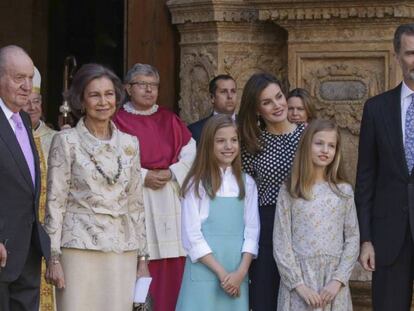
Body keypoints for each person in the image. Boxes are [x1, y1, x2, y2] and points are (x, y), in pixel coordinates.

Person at [44, 63, 149, 311]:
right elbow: (55, 202)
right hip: (78, 248)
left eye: (109, 94)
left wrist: (143, 259)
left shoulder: (130, 144)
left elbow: (136, 204)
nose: (103, 102)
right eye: (94, 95)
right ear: (81, 100)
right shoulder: (66, 141)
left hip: (122, 250)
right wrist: (53, 256)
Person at [113, 63, 196, 311]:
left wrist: (171, 172)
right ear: (128, 88)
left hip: (169, 196)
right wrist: (143, 174)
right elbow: (111, 159)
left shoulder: (170, 119)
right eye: (142, 85)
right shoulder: (117, 120)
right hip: (137, 199)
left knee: (173, 269)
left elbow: (191, 152)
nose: (149, 90)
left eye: (154, 86)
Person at [356, 23, 414, 311]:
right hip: (389, 238)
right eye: (411, 53)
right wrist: (366, 239)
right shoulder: (376, 109)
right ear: (397, 56)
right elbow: (366, 179)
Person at [274, 119, 360, 311]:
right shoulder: (290, 191)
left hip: (332, 285)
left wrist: (337, 281)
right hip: (299, 285)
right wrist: (299, 286)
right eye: (319, 143)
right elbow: (281, 242)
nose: (325, 150)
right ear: (306, 145)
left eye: (331, 145)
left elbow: (353, 238)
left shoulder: (343, 191)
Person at [176, 115, 260, 311]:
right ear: (208, 144)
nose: (228, 146)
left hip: (236, 271)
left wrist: (240, 272)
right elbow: (192, 236)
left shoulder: (247, 184)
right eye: (221, 141)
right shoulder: (195, 185)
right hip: (206, 271)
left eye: (233, 140)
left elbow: (252, 232)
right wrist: (222, 274)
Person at [238, 72, 305, 311]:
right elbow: (243, 192)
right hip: (267, 223)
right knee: (266, 295)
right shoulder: (250, 143)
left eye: (279, 97)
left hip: (304, 222)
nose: (277, 105)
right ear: (257, 109)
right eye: (267, 102)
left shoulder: (308, 135)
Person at [0, 45, 50, 311]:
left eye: (30, 78)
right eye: (19, 78)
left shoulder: (22, 122)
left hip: (27, 251)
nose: (27, 86)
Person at [21, 67, 57, 311]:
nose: (32, 107)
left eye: (37, 102)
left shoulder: (58, 138)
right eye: (27, 102)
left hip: (50, 227)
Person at [188, 74, 237, 145]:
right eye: (223, 92)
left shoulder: (248, 126)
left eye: (233, 91)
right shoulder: (196, 131)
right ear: (212, 98)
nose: (230, 96)